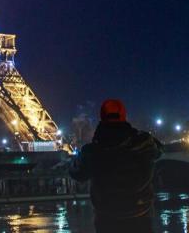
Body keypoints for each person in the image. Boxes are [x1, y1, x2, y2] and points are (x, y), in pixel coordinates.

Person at [69, 98, 163, 233]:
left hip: (107, 218)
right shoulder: (144, 143)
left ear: (102, 117)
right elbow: (158, 150)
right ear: (124, 116)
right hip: (141, 216)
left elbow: (77, 173)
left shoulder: (92, 151)